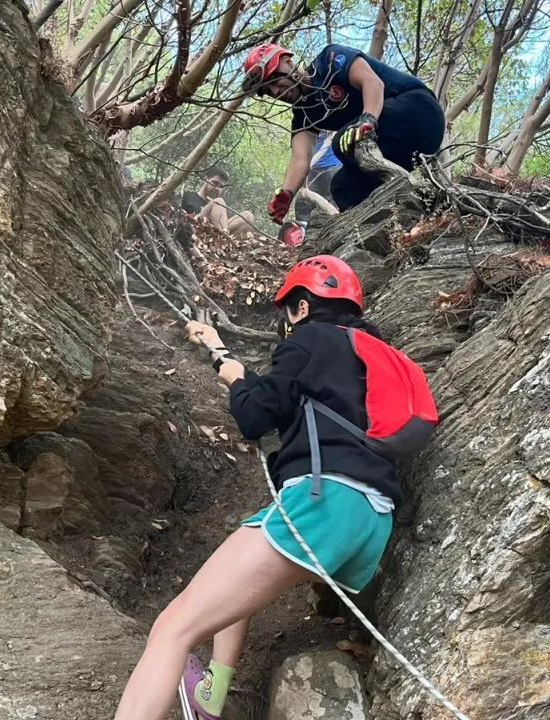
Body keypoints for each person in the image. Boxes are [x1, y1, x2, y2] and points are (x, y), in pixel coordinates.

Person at [111, 257, 405, 720]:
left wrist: (231, 376)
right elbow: (281, 397)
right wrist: (220, 352)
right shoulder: (374, 354)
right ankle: (211, 695)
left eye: (289, 310)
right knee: (234, 575)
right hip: (372, 518)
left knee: (171, 628)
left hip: (322, 503)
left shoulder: (308, 339)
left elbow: (254, 416)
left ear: (302, 306)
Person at [242, 43, 445, 218]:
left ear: (287, 62)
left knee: (344, 141)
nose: (276, 92)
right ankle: (394, 227)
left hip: (421, 111)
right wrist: (286, 195)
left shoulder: (330, 60)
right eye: (268, 91)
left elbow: (372, 83)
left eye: (274, 81)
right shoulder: (303, 113)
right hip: (405, 150)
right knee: (343, 188)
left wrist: (368, 119)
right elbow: (300, 159)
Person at [180, 167, 256, 235]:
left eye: (221, 187)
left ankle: (222, 239)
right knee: (219, 202)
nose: (217, 188)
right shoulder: (186, 196)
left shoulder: (223, 210)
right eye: (215, 183)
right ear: (205, 180)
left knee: (248, 216)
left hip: (214, 236)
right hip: (193, 231)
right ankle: (224, 236)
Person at [293, 131, 341, 225]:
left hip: (334, 166)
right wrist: (326, 144)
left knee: (335, 198)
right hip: (313, 168)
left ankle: (334, 226)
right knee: (302, 201)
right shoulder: (309, 131)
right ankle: (301, 228)